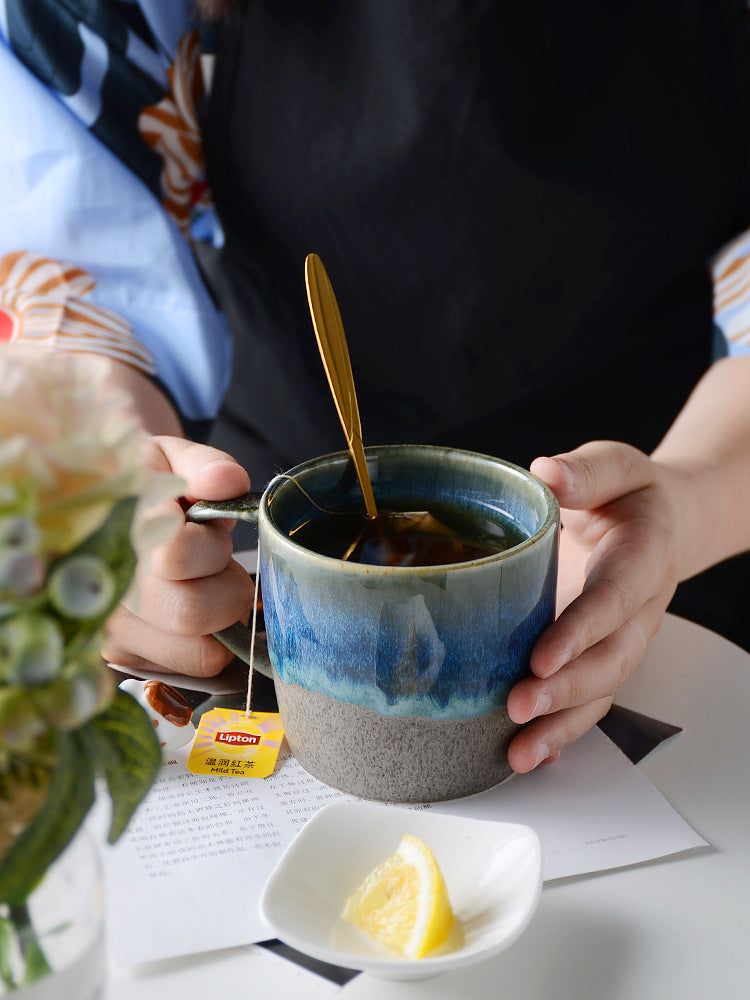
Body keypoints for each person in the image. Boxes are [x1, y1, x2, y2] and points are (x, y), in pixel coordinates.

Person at [2, 0, 750, 775]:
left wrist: (686, 502)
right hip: (261, 557)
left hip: (665, 562)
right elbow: (81, 282)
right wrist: (114, 488)